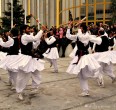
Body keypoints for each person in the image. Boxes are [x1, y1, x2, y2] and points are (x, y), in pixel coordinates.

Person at [66, 21, 101, 96]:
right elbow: (68, 36)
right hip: (79, 56)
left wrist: (78, 28)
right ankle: (86, 90)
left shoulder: (86, 36)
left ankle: (96, 77)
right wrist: (69, 27)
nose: (79, 29)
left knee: (84, 74)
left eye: (80, 28)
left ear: (83, 29)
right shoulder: (78, 36)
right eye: (79, 28)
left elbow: (82, 38)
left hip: (85, 57)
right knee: (81, 75)